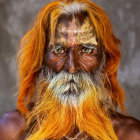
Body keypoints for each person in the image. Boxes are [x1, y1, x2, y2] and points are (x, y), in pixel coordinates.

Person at [0, 0, 140, 139]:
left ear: (104, 60)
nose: (72, 67)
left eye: (86, 50)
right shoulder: (13, 130)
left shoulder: (128, 134)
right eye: (59, 50)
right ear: (41, 59)